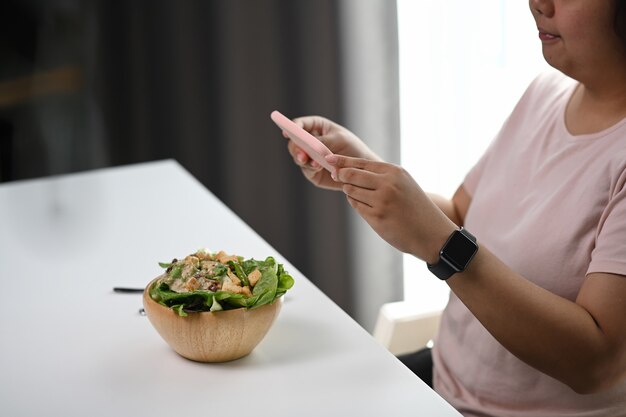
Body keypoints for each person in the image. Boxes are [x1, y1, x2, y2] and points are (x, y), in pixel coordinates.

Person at [280, 1, 626, 416]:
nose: (538, 3)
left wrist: (439, 242)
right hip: (440, 383)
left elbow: (596, 364)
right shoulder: (545, 92)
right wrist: (362, 170)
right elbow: (461, 216)